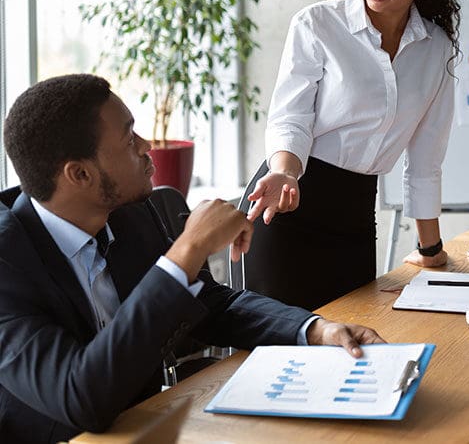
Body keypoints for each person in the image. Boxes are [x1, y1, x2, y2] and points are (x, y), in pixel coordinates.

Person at [0, 74, 384, 444]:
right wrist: (187, 249)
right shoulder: (7, 261)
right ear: (80, 174)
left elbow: (210, 304)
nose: (146, 145)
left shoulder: (128, 212)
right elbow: (79, 396)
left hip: (151, 425)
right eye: (128, 137)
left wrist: (313, 330)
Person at [245, 0, 461, 310]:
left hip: (356, 216)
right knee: (282, 351)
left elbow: (426, 157)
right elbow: (291, 117)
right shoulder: (317, 25)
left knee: (351, 347)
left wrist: (430, 249)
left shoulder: (435, 50)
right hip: (289, 202)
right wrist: (284, 171)